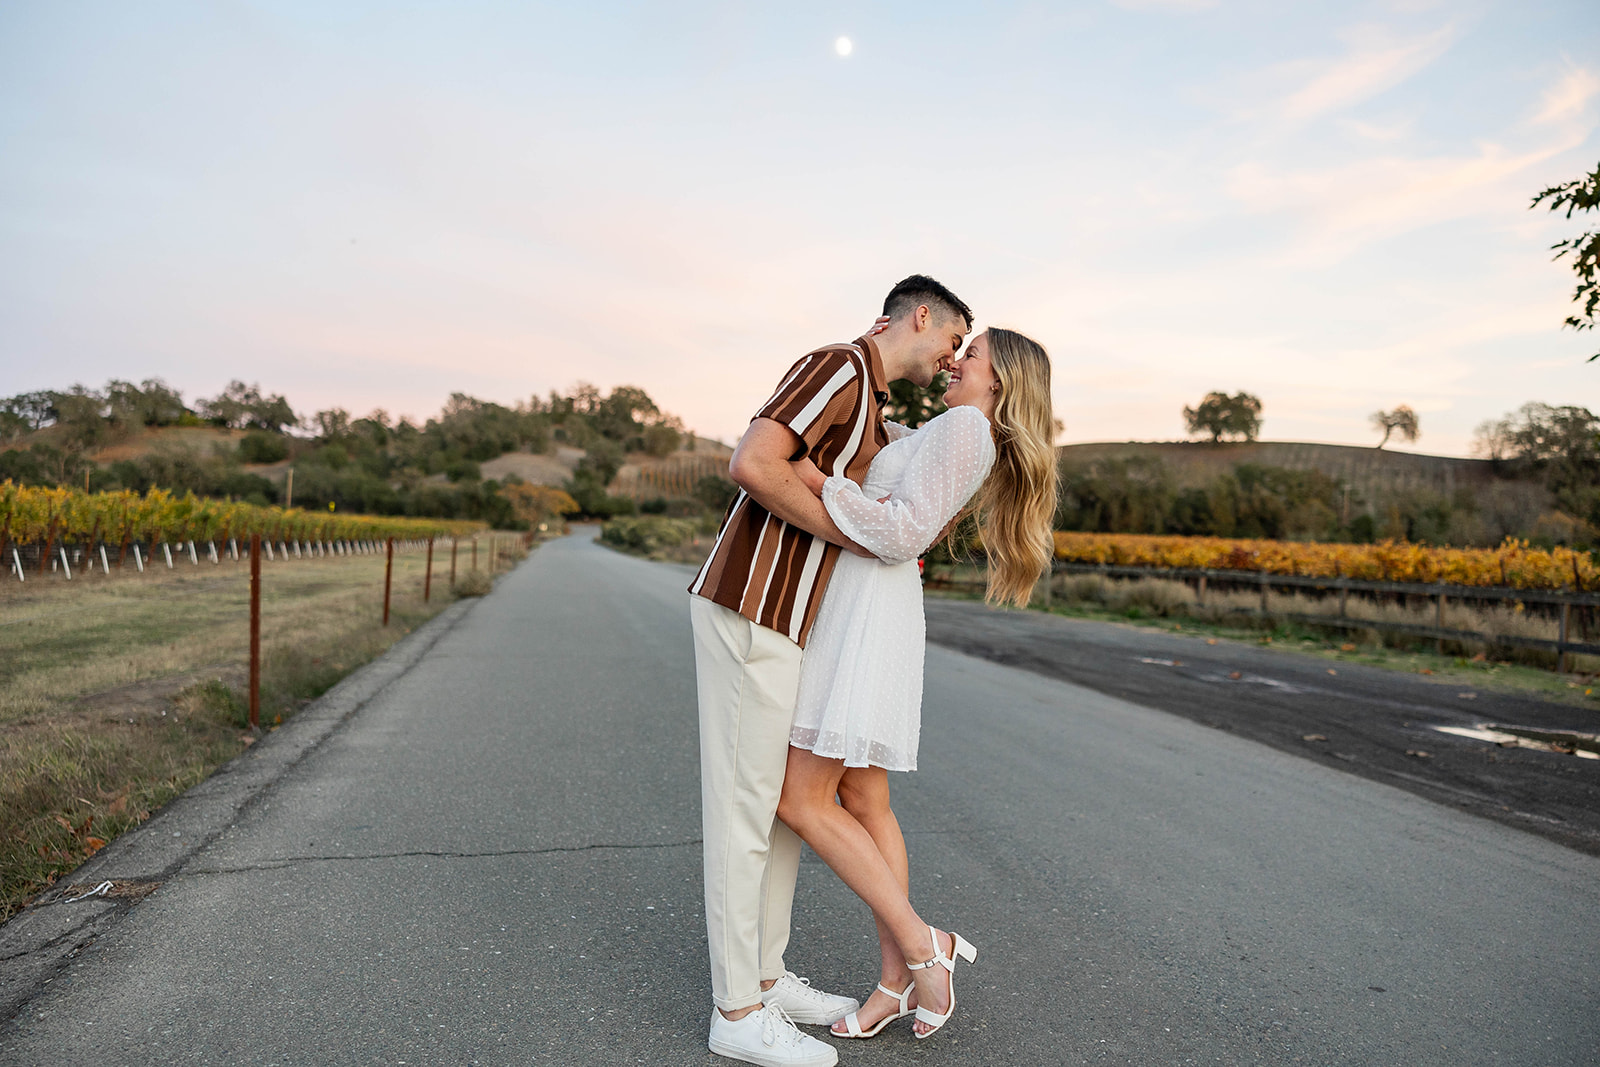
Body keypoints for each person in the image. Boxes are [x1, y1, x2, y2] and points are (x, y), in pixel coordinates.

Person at [688, 276, 975, 1066]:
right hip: (752, 602)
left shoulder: (872, 400)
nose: (951, 358)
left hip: (790, 620)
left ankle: (766, 975)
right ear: (921, 316)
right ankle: (736, 1011)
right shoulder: (839, 366)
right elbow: (755, 461)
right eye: (952, 340)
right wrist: (854, 532)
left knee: (781, 811)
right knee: (746, 813)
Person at [776, 326, 1059, 1041]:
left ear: (1000, 381)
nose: (956, 363)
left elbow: (904, 532)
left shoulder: (967, 425)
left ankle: (924, 946)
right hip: (876, 605)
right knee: (865, 796)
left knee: (800, 797)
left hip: (868, 606)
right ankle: (893, 982)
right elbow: (893, 452)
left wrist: (820, 483)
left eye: (972, 354)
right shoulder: (952, 428)